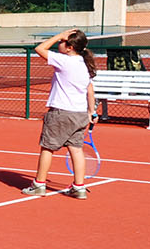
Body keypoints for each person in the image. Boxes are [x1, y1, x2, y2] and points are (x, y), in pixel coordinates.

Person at [22, 29, 96, 199]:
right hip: (80, 114)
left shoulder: (64, 60)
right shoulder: (85, 65)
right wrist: (92, 112)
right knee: (76, 150)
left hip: (61, 112)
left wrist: (58, 35)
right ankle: (79, 187)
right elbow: (90, 91)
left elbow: (40, 49)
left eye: (62, 42)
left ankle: (39, 184)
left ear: (69, 47)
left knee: (48, 147)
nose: (58, 44)